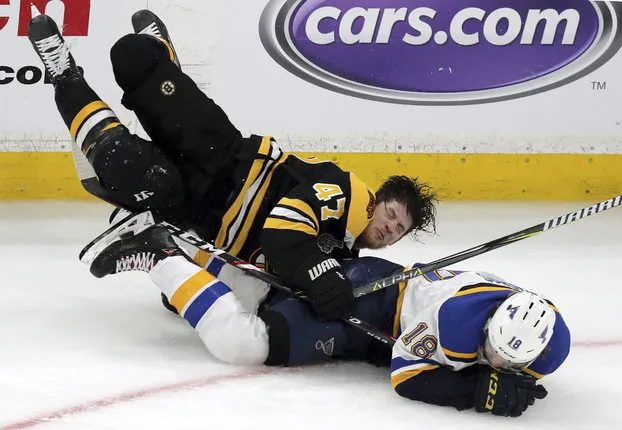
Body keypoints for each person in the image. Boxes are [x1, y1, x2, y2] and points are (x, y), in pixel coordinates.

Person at [26, 11, 437, 322]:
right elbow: (284, 229)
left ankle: (63, 73)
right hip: (225, 158)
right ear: (377, 201)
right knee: (131, 56)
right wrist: (318, 274)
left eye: (399, 231)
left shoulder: (347, 260)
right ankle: (165, 57)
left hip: (194, 212)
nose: (389, 229)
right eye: (391, 215)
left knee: (118, 159)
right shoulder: (350, 196)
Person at [85, 216, 570, 418]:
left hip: (383, 281)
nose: (491, 358)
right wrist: (478, 391)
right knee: (249, 342)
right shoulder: (456, 321)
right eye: (489, 349)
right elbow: (407, 374)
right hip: (371, 301)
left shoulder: (549, 343)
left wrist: (493, 373)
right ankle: (159, 257)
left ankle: (180, 244)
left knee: (264, 296)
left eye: (502, 360)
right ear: (487, 328)